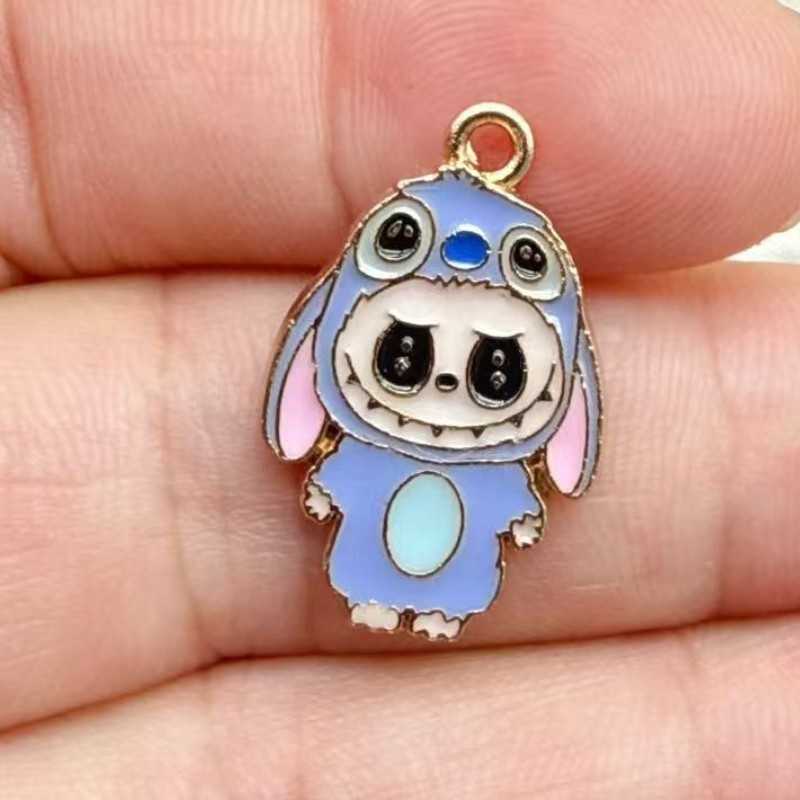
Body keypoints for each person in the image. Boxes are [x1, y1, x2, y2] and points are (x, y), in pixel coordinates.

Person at [0, 0, 798, 796]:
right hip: (379, 487)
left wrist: (524, 504)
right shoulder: (373, 378)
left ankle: (441, 606)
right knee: (372, 547)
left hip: (469, 503)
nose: (446, 381)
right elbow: (335, 452)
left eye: (492, 372)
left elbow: (531, 480)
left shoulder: (499, 416)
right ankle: (386, 598)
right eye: (407, 355)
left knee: (465, 559)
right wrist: (325, 478)